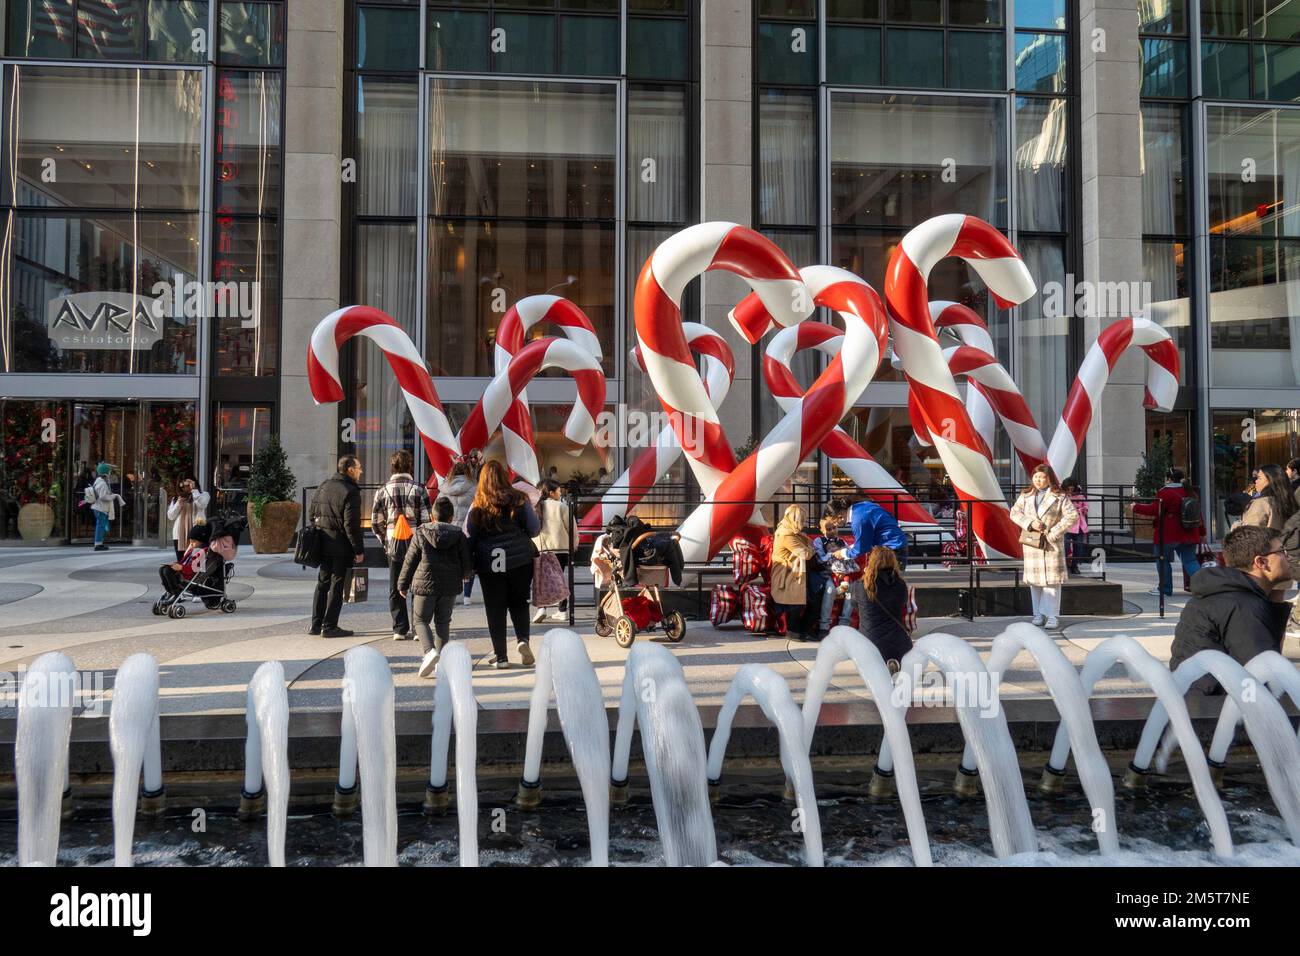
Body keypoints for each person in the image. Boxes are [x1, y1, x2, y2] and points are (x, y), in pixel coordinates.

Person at [1171, 525, 1293, 693]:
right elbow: (1263, 678)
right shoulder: (1244, 607)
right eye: (1282, 552)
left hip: (1196, 699)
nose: (1288, 557)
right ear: (1261, 562)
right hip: (1212, 706)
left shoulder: (1219, 592)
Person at [467, 459, 540, 669]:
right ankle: (523, 641)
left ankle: (501, 657)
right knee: (519, 603)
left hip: (490, 563)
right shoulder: (519, 500)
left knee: (495, 608)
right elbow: (534, 529)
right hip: (520, 561)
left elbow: (470, 535)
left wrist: (468, 564)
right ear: (505, 477)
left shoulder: (478, 505)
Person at [398, 497, 472, 679]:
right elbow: (467, 561)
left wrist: (402, 583)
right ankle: (442, 663)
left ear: (432, 516)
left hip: (424, 584)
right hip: (449, 585)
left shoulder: (422, 533)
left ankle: (429, 651)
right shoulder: (458, 535)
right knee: (443, 622)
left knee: (420, 620)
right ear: (452, 517)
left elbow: (410, 559)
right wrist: (465, 575)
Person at [1008, 464, 1077, 631]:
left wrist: (1054, 532)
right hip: (1033, 543)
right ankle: (1038, 614)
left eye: (1042, 477)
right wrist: (1030, 523)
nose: (1038, 480)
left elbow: (1072, 515)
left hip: (1051, 544)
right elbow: (1014, 513)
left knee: (1052, 582)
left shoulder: (1059, 496)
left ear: (1049, 479)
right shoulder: (1025, 495)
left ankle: (1052, 616)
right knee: (1035, 581)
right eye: (1036, 477)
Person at [371, 451, 431, 642]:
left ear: (392, 467)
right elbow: (426, 520)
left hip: (393, 543)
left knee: (396, 584)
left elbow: (375, 522)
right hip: (416, 543)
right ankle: (417, 626)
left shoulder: (382, 490)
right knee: (417, 584)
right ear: (410, 466)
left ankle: (399, 627)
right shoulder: (420, 489)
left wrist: (386, 540)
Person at [308, 456, 366, 638]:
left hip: (323, 541)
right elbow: (351, 525)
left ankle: (316, 624)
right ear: (350, 469)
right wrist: (358, 549)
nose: (361, 471)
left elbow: (312, 514)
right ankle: (330, 625)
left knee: (322, 583)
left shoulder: (324, 485)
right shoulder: (351, 491)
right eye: (358, 468)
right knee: (337, 584)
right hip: (341, 546)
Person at [1131, 468, 1204, 598]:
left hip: (1168, 534)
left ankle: (1165, 589)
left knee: (1163, 560)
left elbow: (1155, 510)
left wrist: (1136, 507)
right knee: (1190, 561)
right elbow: (1199, 514)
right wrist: (1202, 532)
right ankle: (1205, 588)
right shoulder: (1189, 491)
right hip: (1189, 533)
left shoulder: (1165, 493)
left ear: (1168, 479)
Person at [858, 545, 913, 670]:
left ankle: (880, 664)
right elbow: (903, 603)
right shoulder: (900, 584)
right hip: (899, 641)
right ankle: (892, 661)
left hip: (869, 640)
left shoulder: (861, 586)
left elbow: (854, 605)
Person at [770, 504, 816, 640]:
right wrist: (811, 547)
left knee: (802, 600)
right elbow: (806, 553)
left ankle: (798, 629)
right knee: (796, 602)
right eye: (803, 519)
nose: (805, 522)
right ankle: (792, 630)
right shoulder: (786, 534)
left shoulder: (788, 530)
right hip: (787, 573)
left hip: (792, 571)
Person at [532, 479, 572, 623]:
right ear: (551, 493)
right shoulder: (561, 507)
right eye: (559, 491)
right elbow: (571, 528)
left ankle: (541, 608)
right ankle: (562, 610)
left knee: (539, 579)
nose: (560, 493)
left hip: (540, 548)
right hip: (560, 547)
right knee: (559, 579)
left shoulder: (535, 506)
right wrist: (574, 544)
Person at [439, 460, 478, 606]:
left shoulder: (444, 489)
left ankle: (455, 593)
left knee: (452, 563)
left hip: (449, 530)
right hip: (468, 531)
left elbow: (438, 508)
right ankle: (467, 596)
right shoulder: (474, 487)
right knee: (468, 562)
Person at [834, 495, 909, 569]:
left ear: (840, 516)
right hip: (895, 545)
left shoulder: (858, 520)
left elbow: (862, 548)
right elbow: (865, 542)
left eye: (834, 522)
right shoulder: (862, 506)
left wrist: (843, 553)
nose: (835, 525)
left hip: (890, 550)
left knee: (882, 580)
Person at [812, 508, 850, 637]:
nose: (832, 531)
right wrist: (835, 554)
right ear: (822, 530)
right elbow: (821, 560)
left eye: (834, 528)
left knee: (850, 590)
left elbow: (849, 559)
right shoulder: (818, 541)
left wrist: (843, 569)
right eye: (828, 529)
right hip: (826, 574)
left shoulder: (842, 542)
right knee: (829, 589)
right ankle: (824, 626)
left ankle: (844, 624)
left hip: (843, 574)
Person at [1241, 463, 1296, 532]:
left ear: (1271, 480)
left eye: (1258, 477)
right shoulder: (1287, 500)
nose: (1255, 481)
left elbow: (1249, 535)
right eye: (1254, 476)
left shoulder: (1261, 503)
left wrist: (1237, 525)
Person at [159, 522, 210, 596]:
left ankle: (176, 593)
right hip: (183, 571)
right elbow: (184, 562)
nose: (191, 543)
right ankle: (170, 591)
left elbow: (195, 569)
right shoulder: (192, 550)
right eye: (190, 541)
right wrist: (177, 565)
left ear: (202, 541)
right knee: (162, 569)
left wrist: (181, 567)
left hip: (187, 576)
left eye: (194, 541)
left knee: (167, 571)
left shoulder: (202, 552)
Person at [166, 477, 210, 562]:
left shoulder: (203, 495)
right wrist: (178, 504)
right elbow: (170, 516)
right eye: (182, 486)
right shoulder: (176, 499)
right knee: (181, 562)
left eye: (187, 485)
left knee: (196, 563)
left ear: (194, 483)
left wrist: (194, 490)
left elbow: (202, 505)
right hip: (179, 535)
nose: (185, 488)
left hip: (197, 534)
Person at [88, 462, 125, 552]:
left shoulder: (98, 481)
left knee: (101, 525)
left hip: (97, 507)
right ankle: (98, 544)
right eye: (109, 472)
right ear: (106, 473)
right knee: (100, 526)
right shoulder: (103, 484)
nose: (109, 474)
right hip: (100, 508)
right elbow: (103, 496)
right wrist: (113, 496)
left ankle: (99, 543)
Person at [1060, 477, 1089, 575]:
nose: (1070, 490)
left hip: (1079, 524)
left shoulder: (1080, 496)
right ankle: (1064, 566)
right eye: (1068, 488)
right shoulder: (1061, 496)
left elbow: (1086, 507)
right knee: (1065, 545)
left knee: (1079, 546)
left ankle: (1074, 565)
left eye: (1072, 488)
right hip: (1066, 524)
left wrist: (1082, 509)